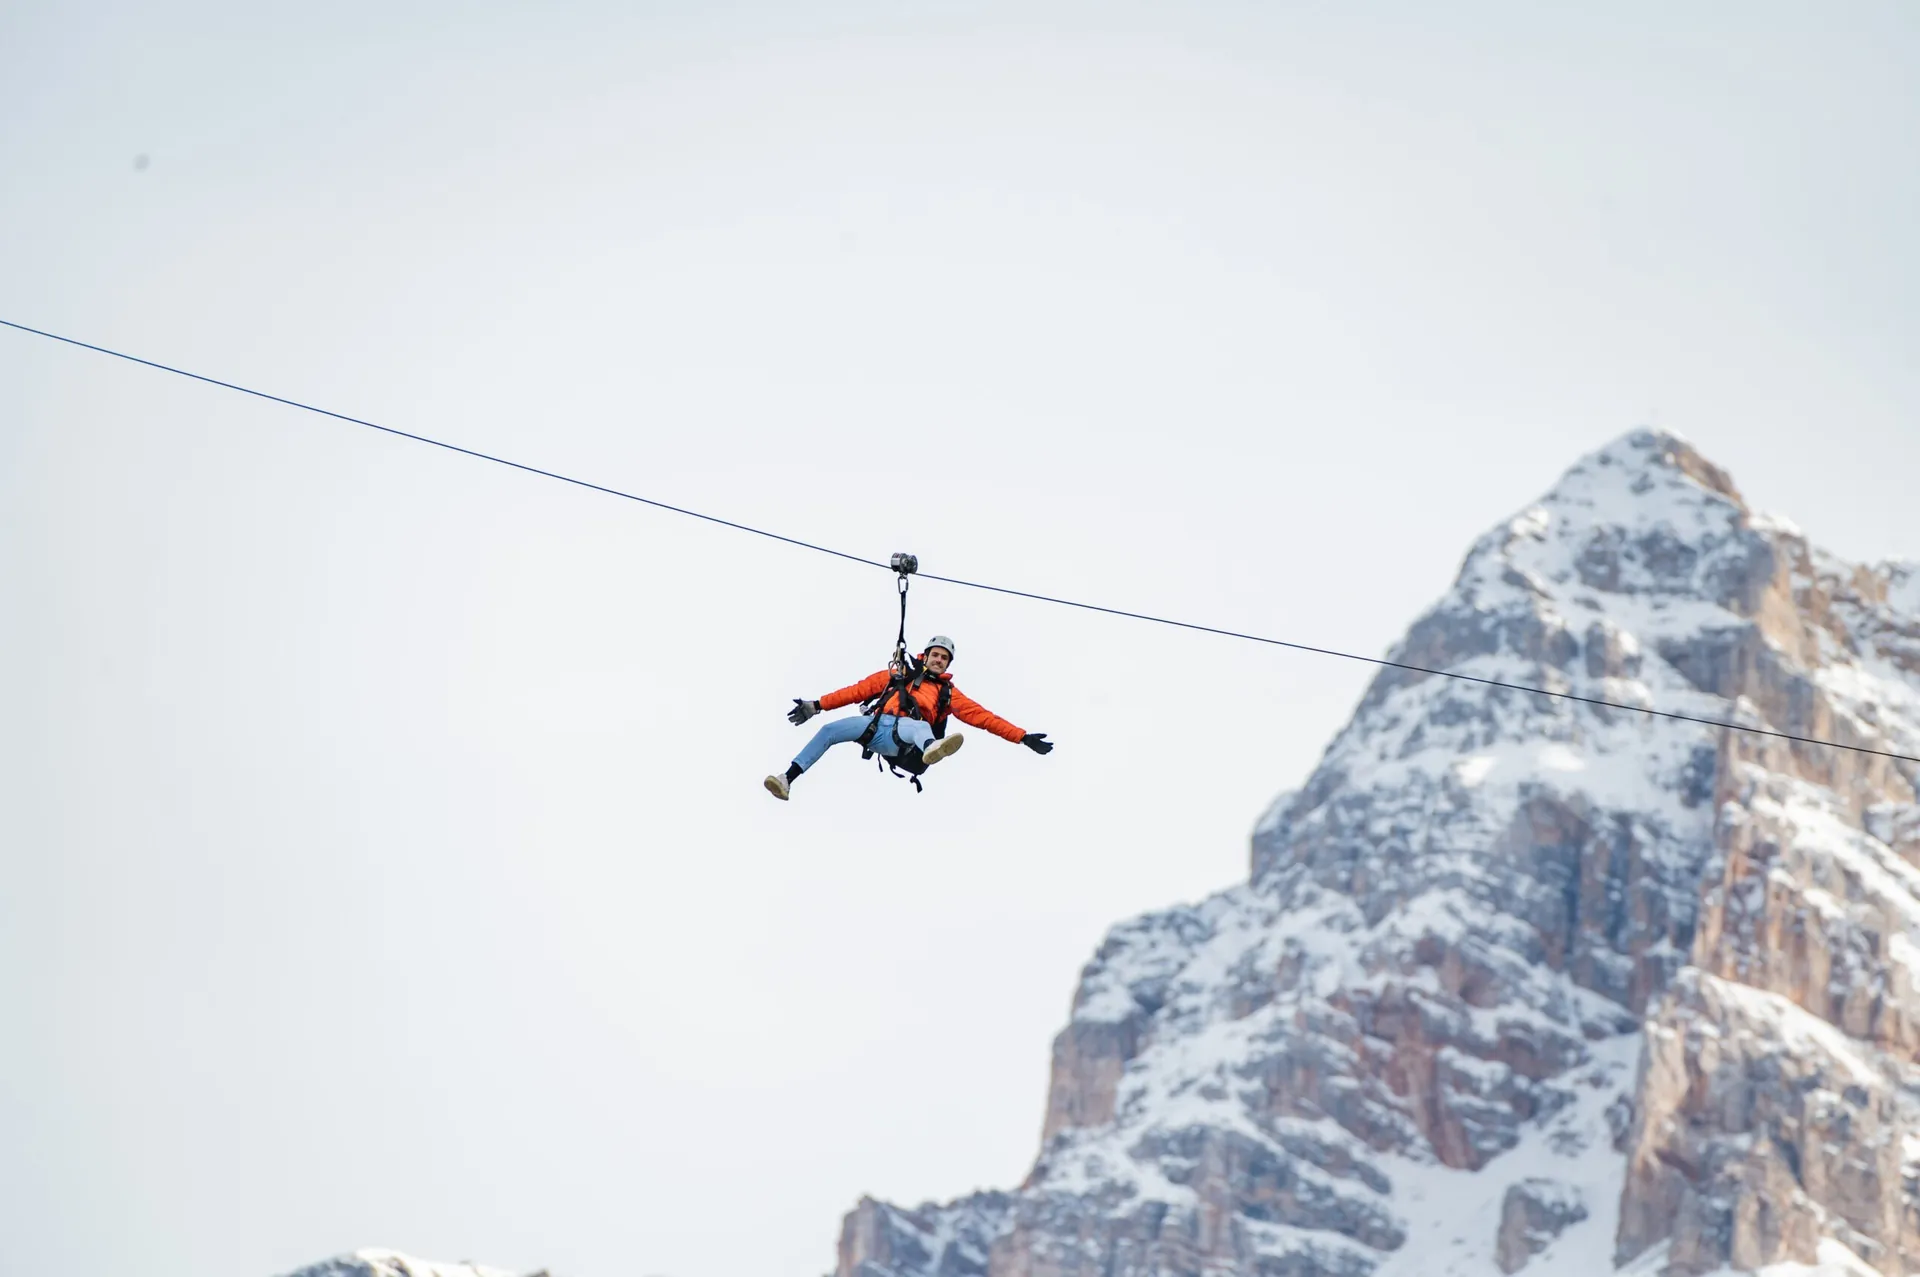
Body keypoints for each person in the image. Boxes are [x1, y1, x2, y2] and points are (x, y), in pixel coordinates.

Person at [764, 634, 1052, 800]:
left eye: (944, 658)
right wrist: (817, 704)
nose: (939, 660)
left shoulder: (948, 694)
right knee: (828, 731)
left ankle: (931, 749)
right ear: (925, 656)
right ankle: (787, 778)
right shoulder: (897, 675)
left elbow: (984, 718)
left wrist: (1022, 737)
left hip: (905, 737)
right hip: (874, 726)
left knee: (919, 725)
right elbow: (857, 690)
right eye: (935, 655)